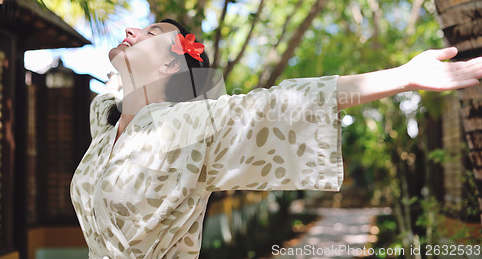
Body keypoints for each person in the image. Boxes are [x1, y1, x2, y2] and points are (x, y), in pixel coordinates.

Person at [70, 18, 482, 259]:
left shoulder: (191, 127)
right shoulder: (105, 125)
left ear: (169, 68)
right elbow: (114, 90)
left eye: (151, 31)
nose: (131, 28)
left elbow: (283, 102)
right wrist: (125, 79)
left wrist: (403, 78)